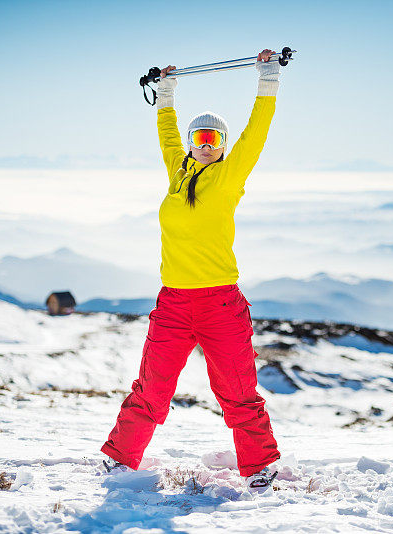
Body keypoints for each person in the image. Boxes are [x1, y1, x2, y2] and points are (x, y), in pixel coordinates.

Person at [101, 49, 283, 490]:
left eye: (213, 140)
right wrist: (165, 90)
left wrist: (268, 77)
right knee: (152, 387)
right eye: (199, 137)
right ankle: (122, 458)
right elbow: (166, 135)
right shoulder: (177, 173)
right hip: (173, 301)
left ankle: (260, 466)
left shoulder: (229, 177)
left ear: (222, 147)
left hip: (220, 301)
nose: (205, 145)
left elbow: (255, 132)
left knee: (238, 392)